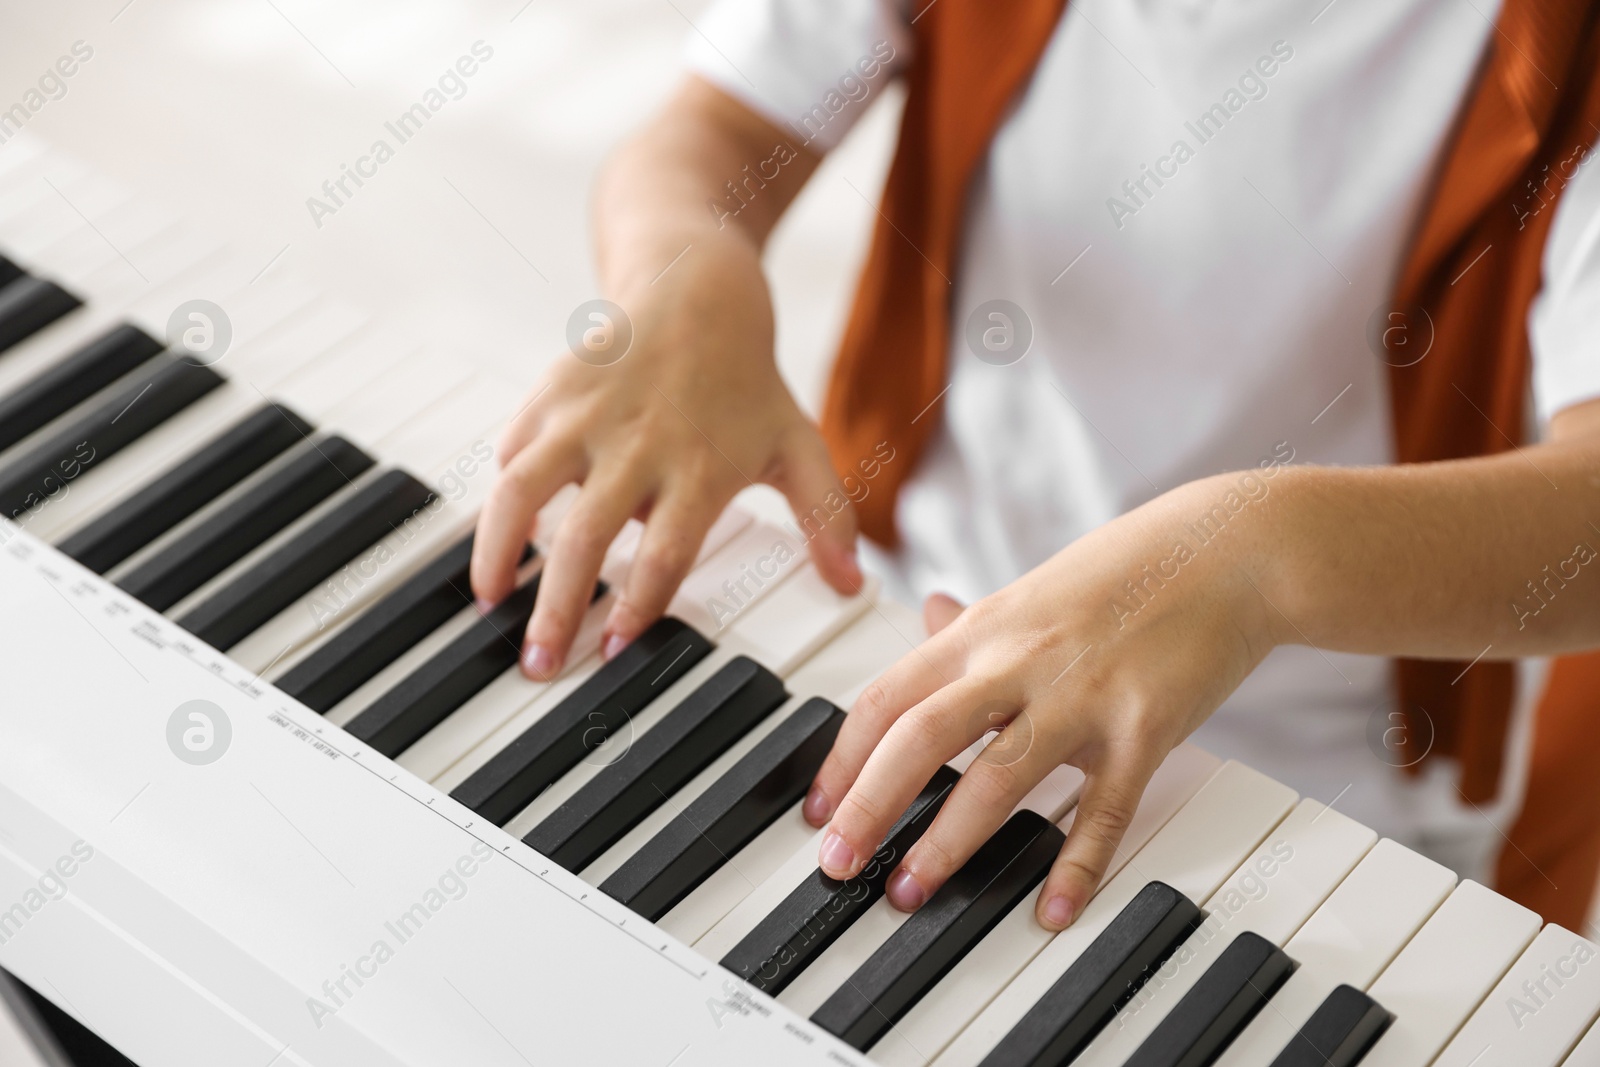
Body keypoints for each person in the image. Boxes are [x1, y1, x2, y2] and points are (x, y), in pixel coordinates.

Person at [470, 0, 1600, 932]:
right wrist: (687, 273)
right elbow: (711, 135)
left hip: (1310, 801)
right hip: (897, 638)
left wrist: (1250, 557)